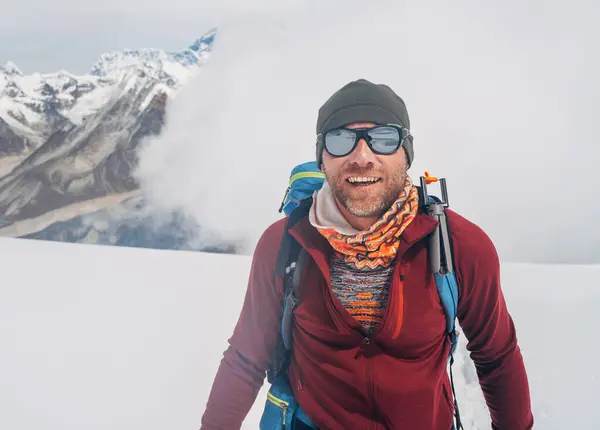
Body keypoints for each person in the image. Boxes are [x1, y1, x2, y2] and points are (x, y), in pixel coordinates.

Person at [200, 79, 534, 429]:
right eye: (341, 140)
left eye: (384, 139)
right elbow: (245, 360)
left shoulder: (459, 245)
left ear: (406, 153)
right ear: (322, 157)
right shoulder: (285, 244)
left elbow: (497, 356)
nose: (361, 157)